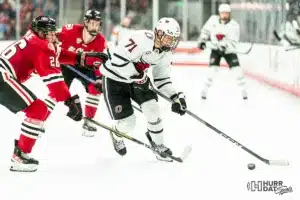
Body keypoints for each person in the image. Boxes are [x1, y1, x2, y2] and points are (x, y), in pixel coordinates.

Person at [0, 16, 105, 172]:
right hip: (2, 78)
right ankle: (20, 156)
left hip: (3, 75)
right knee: (38, 109)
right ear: (38, 32)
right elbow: (55, 84)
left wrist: (80, 58)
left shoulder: (34, 39)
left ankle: (21, 152)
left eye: (52, 32)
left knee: (38, 109)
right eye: (47, 33)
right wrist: (70, 101)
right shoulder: (42, 47)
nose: (51, 36)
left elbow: (57, 54)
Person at [100, 17, 187, 162]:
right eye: (168, 38)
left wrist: (175, 97)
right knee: (128, 123)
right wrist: (136, 74)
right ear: (158, 33)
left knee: (153, 109)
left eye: (174, 39)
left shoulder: (166, 53)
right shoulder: (141, 39)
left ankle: (158, 145)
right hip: (114, 79)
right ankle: (116, 134)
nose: (171, 42)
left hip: (137, 79)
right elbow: (117, 61)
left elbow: (161, 78)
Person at [44, 9, 107, 137]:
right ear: (86, 22)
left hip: (86, 67)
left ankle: (88, 122)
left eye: (97, 23)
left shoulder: (100, 40)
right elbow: (50, 38)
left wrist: (99, 79)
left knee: (95, 88)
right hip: (67, 65)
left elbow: (98, 63)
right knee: (56, 91)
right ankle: (39, 121)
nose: (95, 26)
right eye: (92, 23)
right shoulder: (70, 30)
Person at [198, 4, 247, 100]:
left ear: (229, 14)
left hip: (229, 51)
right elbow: (205, 31)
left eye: (226, 13)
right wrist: (202, 40)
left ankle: (244, 91)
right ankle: (205, 90)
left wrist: (226, 45)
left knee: (237, 70)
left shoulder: (234, 25)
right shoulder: (213, 20)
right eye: (222, 13)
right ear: (219, 13)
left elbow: (234, 40)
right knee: (212, 70)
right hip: (216, 50)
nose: (224, 15)